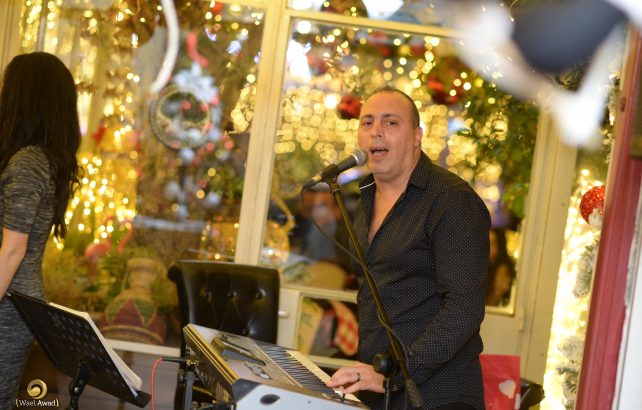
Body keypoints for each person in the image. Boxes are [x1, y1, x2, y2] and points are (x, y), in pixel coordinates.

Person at [326, 88, 490, 409]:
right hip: (380, 389)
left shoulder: (451, 201)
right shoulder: (366, 197)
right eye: (367, 122)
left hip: (439, 397)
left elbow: (464, 309)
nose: (376, 131)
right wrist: (375, 374)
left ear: (417, 136)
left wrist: (395, 374)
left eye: (391, 122)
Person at [0, 52, 81, 407]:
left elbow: (13, 249)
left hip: (7, 300)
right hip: (16, 297)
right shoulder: (39, 158)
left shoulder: (28, 162)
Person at [486, 228, 516, 307]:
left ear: (499, 246)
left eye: (492, 244)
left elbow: (493, 301)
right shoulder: (487, 267)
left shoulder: (502, 270)